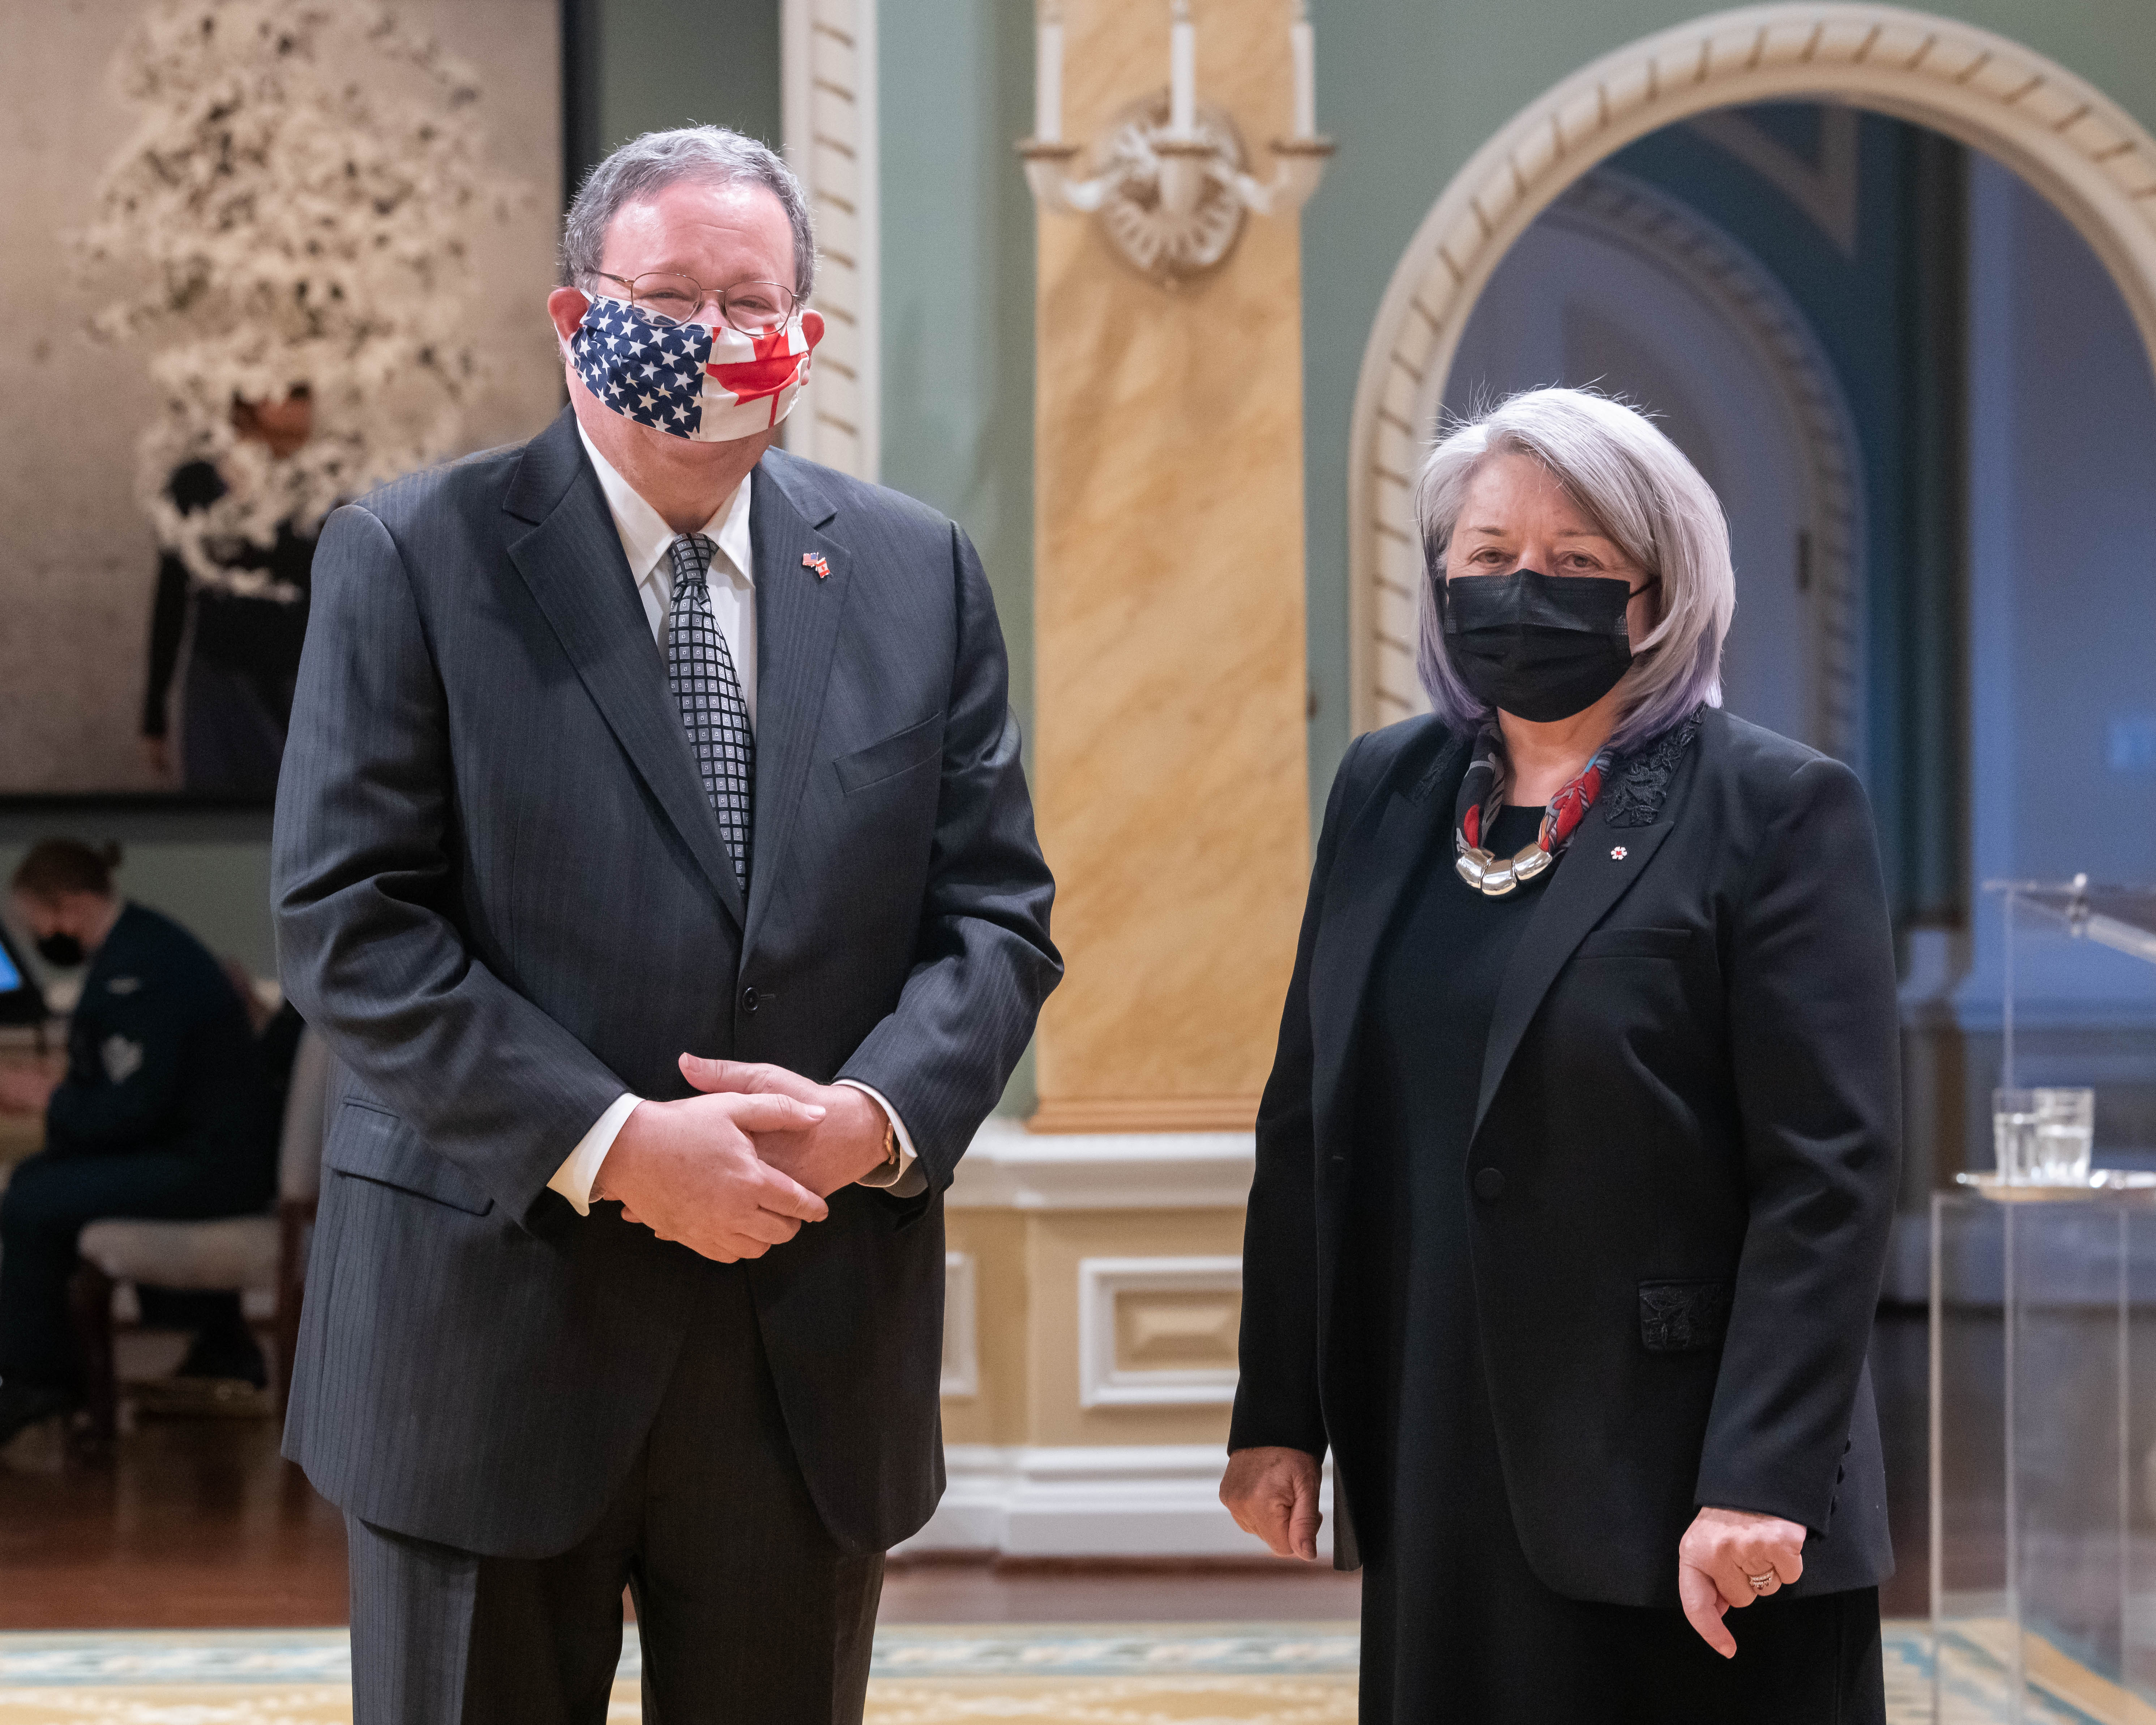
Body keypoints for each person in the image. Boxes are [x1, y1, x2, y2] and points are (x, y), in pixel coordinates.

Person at [271, 125, 1058, 1723]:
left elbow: (993, 915)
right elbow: (352, 922)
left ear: (804, 333)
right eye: (669, 296)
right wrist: (617, 1144)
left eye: (748, 301)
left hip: (803, 1347)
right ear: (577, 316)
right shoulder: (410, 555)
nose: (711, 333)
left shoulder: (916, 571)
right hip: (487, 1332)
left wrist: (872, 1118)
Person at [1222, 388, 1898, 1722]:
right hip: (1436, 1445)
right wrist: (1279, 1409)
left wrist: (1759, 1475)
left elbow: (1827, 1175)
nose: (1520, 587)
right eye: (1487, 555)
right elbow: (1309, 1119)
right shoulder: (1386, 791)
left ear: (1659, 589)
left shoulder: (1774, 809)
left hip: (1687, 1484)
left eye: (1574, 560)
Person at [0, 840, 277, 1444]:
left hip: (211, 1166)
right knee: (36, 1180)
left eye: (37, 922)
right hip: (209, 1152)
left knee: (29, 1201)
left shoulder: (138, 970)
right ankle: (220, 1346)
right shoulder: (142, 944)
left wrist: (47, 1097)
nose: (40, 937)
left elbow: (133, 1110)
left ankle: (40, 1381)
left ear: (69, 906)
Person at [142, 389, 318, 799]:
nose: (306, 407)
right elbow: (171, 598)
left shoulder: (323, 485)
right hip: (221, 681)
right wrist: (154, 713)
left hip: (302, 686)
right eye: (293, 392)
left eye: (306, 393)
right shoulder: (197, 483)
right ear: (251, 399)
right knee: (218, 819)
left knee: (298, 816)